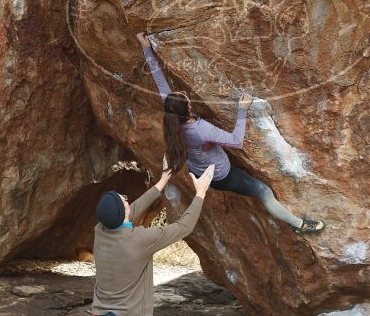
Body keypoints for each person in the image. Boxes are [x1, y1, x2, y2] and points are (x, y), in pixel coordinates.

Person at [137, 31, 325, 236]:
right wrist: (242, 109)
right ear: (188, 108)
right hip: (222, 175)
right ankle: (299, 224)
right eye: (185, 98)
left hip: (201, 170)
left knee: (257, 187)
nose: (185, 94)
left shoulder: (172, 117)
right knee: (264, 192)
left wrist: (146, 48)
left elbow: (159, 80)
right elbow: (236, 142)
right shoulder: (200, 130)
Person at [92, 158, 216, 316]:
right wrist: (200, 193)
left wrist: (163, 181)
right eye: (125, 200)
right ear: (123, 213)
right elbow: (183, 227)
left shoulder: (100, 230)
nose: (129, 202)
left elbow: (129, 212)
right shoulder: (140, 240)